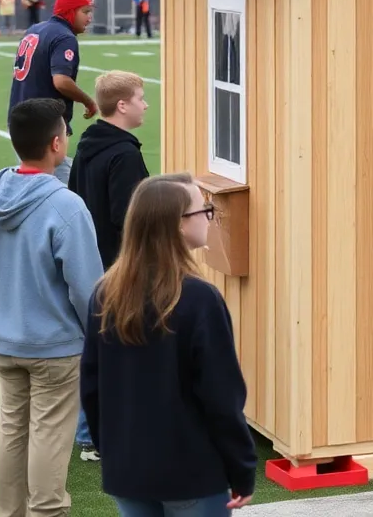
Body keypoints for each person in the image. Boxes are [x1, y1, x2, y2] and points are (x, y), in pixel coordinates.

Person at [81, 174, 257, 516]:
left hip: (128, 472)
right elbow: (221, 396)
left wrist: (114, 452)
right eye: (203, 210)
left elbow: (91, 386)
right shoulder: (199, 298)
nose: (209, 216)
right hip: (191, 474)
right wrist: (242, 467)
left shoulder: (106, 293)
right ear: (176, 225)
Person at [0, 98, 104, 517]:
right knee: (49, 433)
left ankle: (9, 512)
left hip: (4, 337)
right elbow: (86, 288)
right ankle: (47, 511)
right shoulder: (66, 204)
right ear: (57, 143)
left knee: (12, 428)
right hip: (54, 343)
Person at [67, 71, 151, 461]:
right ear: (122, 105)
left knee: (96, 348)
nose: (145, 104)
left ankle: (88, 431)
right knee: (120, 350)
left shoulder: (86, 146)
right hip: (119, 266)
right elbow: (128, 218)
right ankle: (96, 434)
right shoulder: (126, 155)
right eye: (140, 97)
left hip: (90, 262)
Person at [8, 0, 98, 185]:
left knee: (32, 185)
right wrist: (88, 101)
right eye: (85, 11)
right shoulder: (65, 37)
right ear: (70, 11)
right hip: (43, 124)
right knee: (61, 192)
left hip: (20, 118)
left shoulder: (35, 29)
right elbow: (61, 81)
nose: (89, 18)